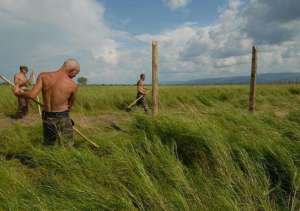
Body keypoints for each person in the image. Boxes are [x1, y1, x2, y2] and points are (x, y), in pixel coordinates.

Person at [13, 59, 80, 146]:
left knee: (49, 144)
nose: (75, 76)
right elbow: (69, 105)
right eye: (76, 73)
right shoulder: (73, 85)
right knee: (68, 145)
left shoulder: (43, 76)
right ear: (72, 70)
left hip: (48, 116)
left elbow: (31, 95)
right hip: (63, 116)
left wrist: (17, 92)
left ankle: (48, 157)